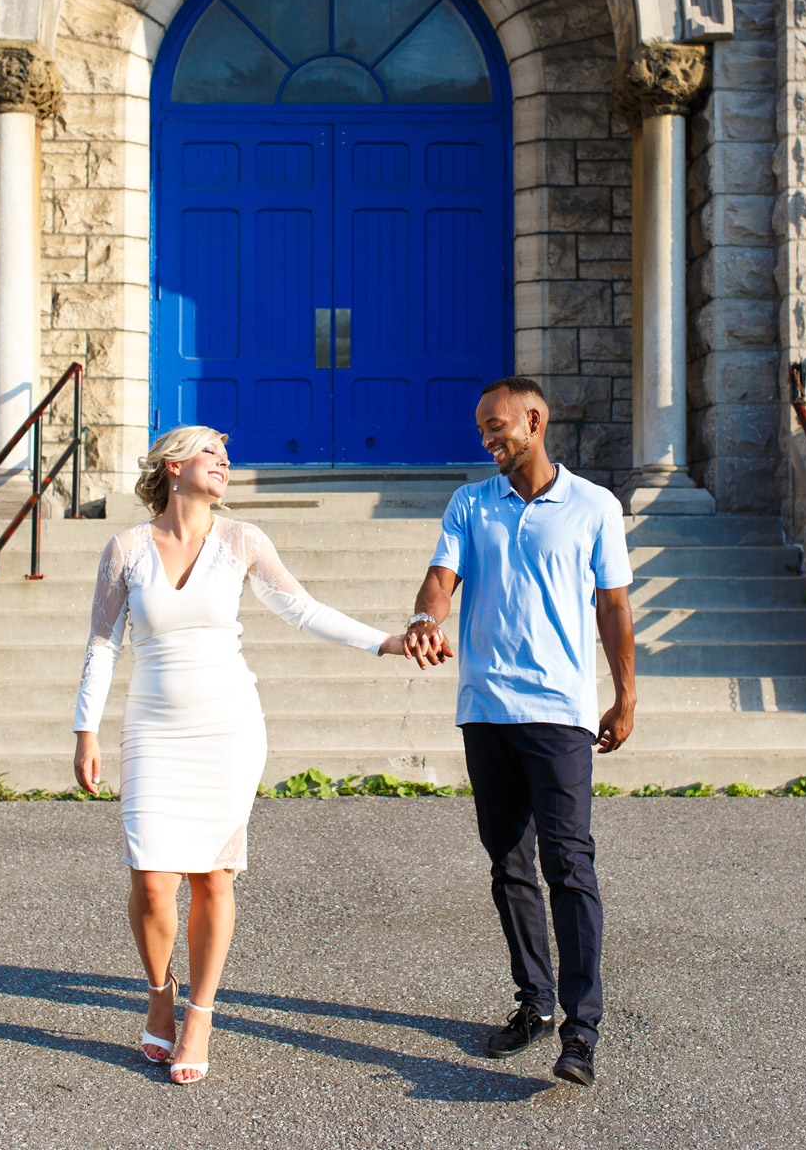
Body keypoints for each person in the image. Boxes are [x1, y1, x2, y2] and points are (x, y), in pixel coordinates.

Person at [72, 426, 432, 1084]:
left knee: (213, 876)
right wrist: (84, 730)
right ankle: (160, 996)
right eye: (211, 452)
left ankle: (201, 1014)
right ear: (173, 465)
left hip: (227, 727)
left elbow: (302, 609)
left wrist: (384, 642)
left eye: (225, 456)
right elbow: (102, 644)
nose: (224, 462)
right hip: (152, 727)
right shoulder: (125, 549)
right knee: (152, 881)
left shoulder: (243, 541)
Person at [402, 376, 635, 1087]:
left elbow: (614, 608)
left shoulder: (594, 506)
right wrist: (425, 619)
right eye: (482, 429)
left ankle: (581, 1031)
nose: (487, 438)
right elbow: (441, 578)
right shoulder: (471, 503)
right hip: (486, 711)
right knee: (509, 866)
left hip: (560, 713)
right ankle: (533, 1004)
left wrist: (625, 695)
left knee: (569, 865)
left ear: (534, 420)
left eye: (496, 425)